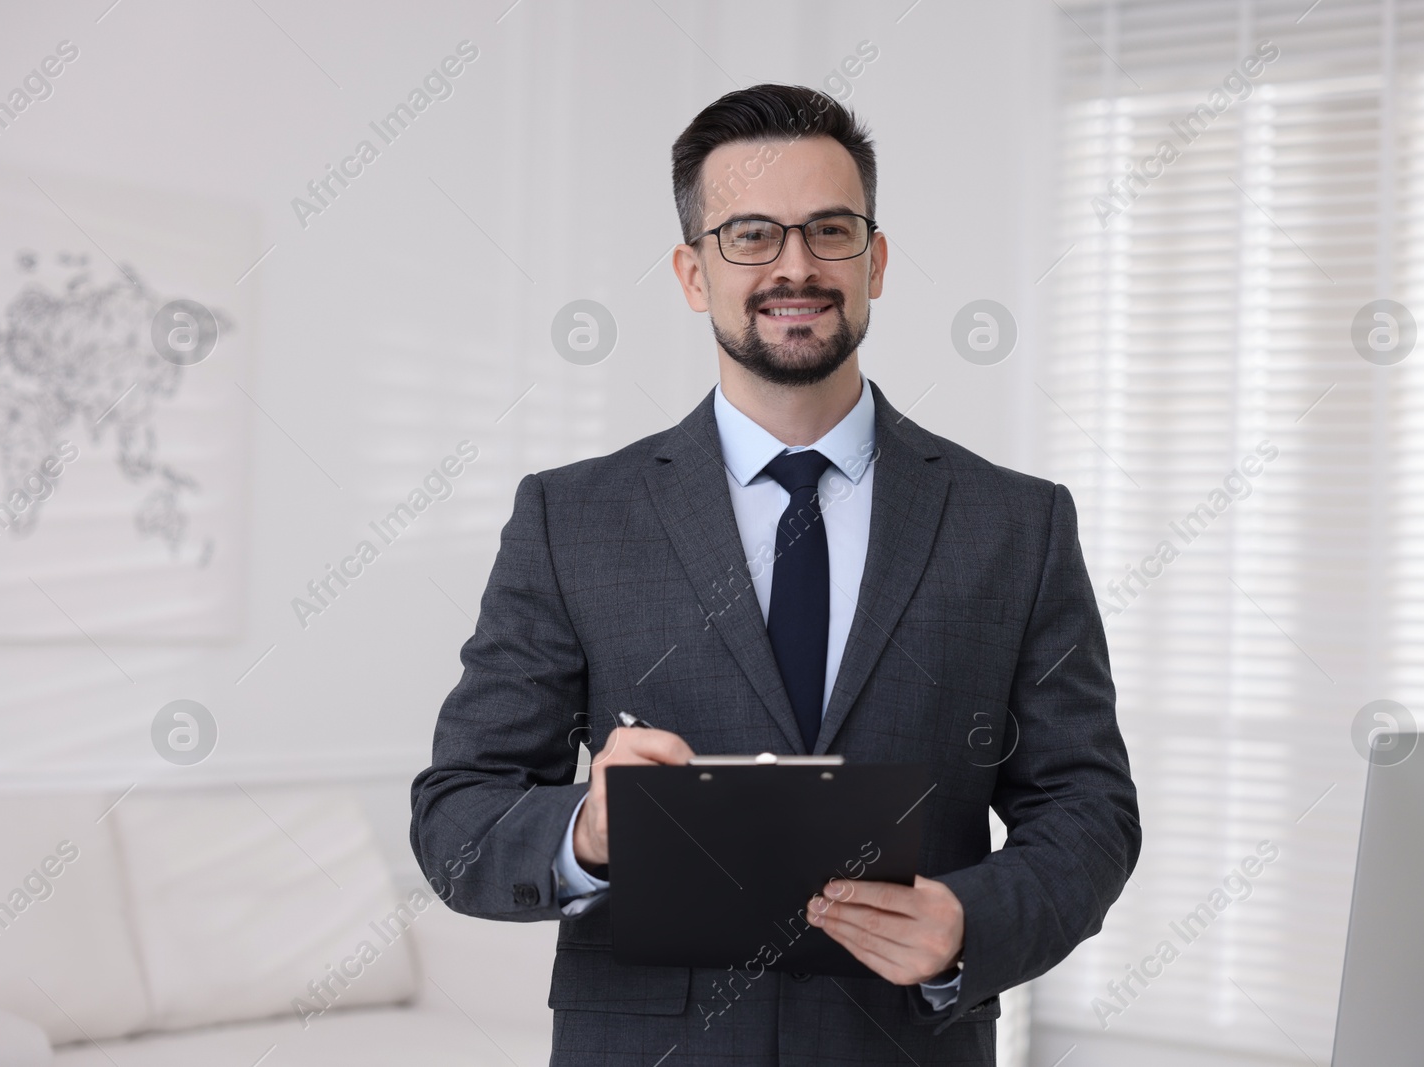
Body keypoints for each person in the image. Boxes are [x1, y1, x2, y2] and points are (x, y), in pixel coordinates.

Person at [409, 82, 1140, 1066]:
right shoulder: (570, 517)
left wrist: (970, 919)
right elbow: (458, 813)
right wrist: (586, 826)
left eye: (828, 230)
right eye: (750, 234)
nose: (794, 266)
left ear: (875, 260)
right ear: (690, 270)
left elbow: (1089, 810)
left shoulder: (1015, 521)